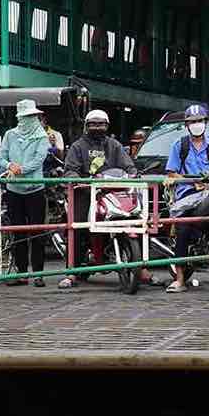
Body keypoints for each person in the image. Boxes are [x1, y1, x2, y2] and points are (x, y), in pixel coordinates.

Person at [58, 109, 133, 289]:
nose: (97, 127)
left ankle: (142, 270)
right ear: (86, 126)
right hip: (85, 193)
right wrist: (75, 177)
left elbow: (128, 165)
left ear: (107, 126)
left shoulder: (114, 145)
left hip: (110, 192)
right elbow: (70, 169)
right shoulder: (78, 146)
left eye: (101, 124)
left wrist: (132, 173)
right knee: (77, 227)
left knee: (134, 222)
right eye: (93, 124)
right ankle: (71, 273)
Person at [164, 103, 209, 293]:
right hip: (186, 196)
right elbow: (171, 174)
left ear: (205, 123)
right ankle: (180, 279)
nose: (196, 124)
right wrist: (192, 182)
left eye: (199, 121)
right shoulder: (180, 145)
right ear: (186, 125)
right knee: (183, 228)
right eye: (192, 122)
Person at [0, 98, 49, 287]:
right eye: (28, 116)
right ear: (20, 117)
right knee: (17, 232)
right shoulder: (10, 135)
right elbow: (2, 157)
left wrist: (22, 169)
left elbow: (39, 159)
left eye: (34, 116)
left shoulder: (41, 136)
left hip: (35, 189)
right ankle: (21, 272)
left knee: (37, 232)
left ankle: (38, 273)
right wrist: (10, 165)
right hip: (14, 190)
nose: (31, 119)